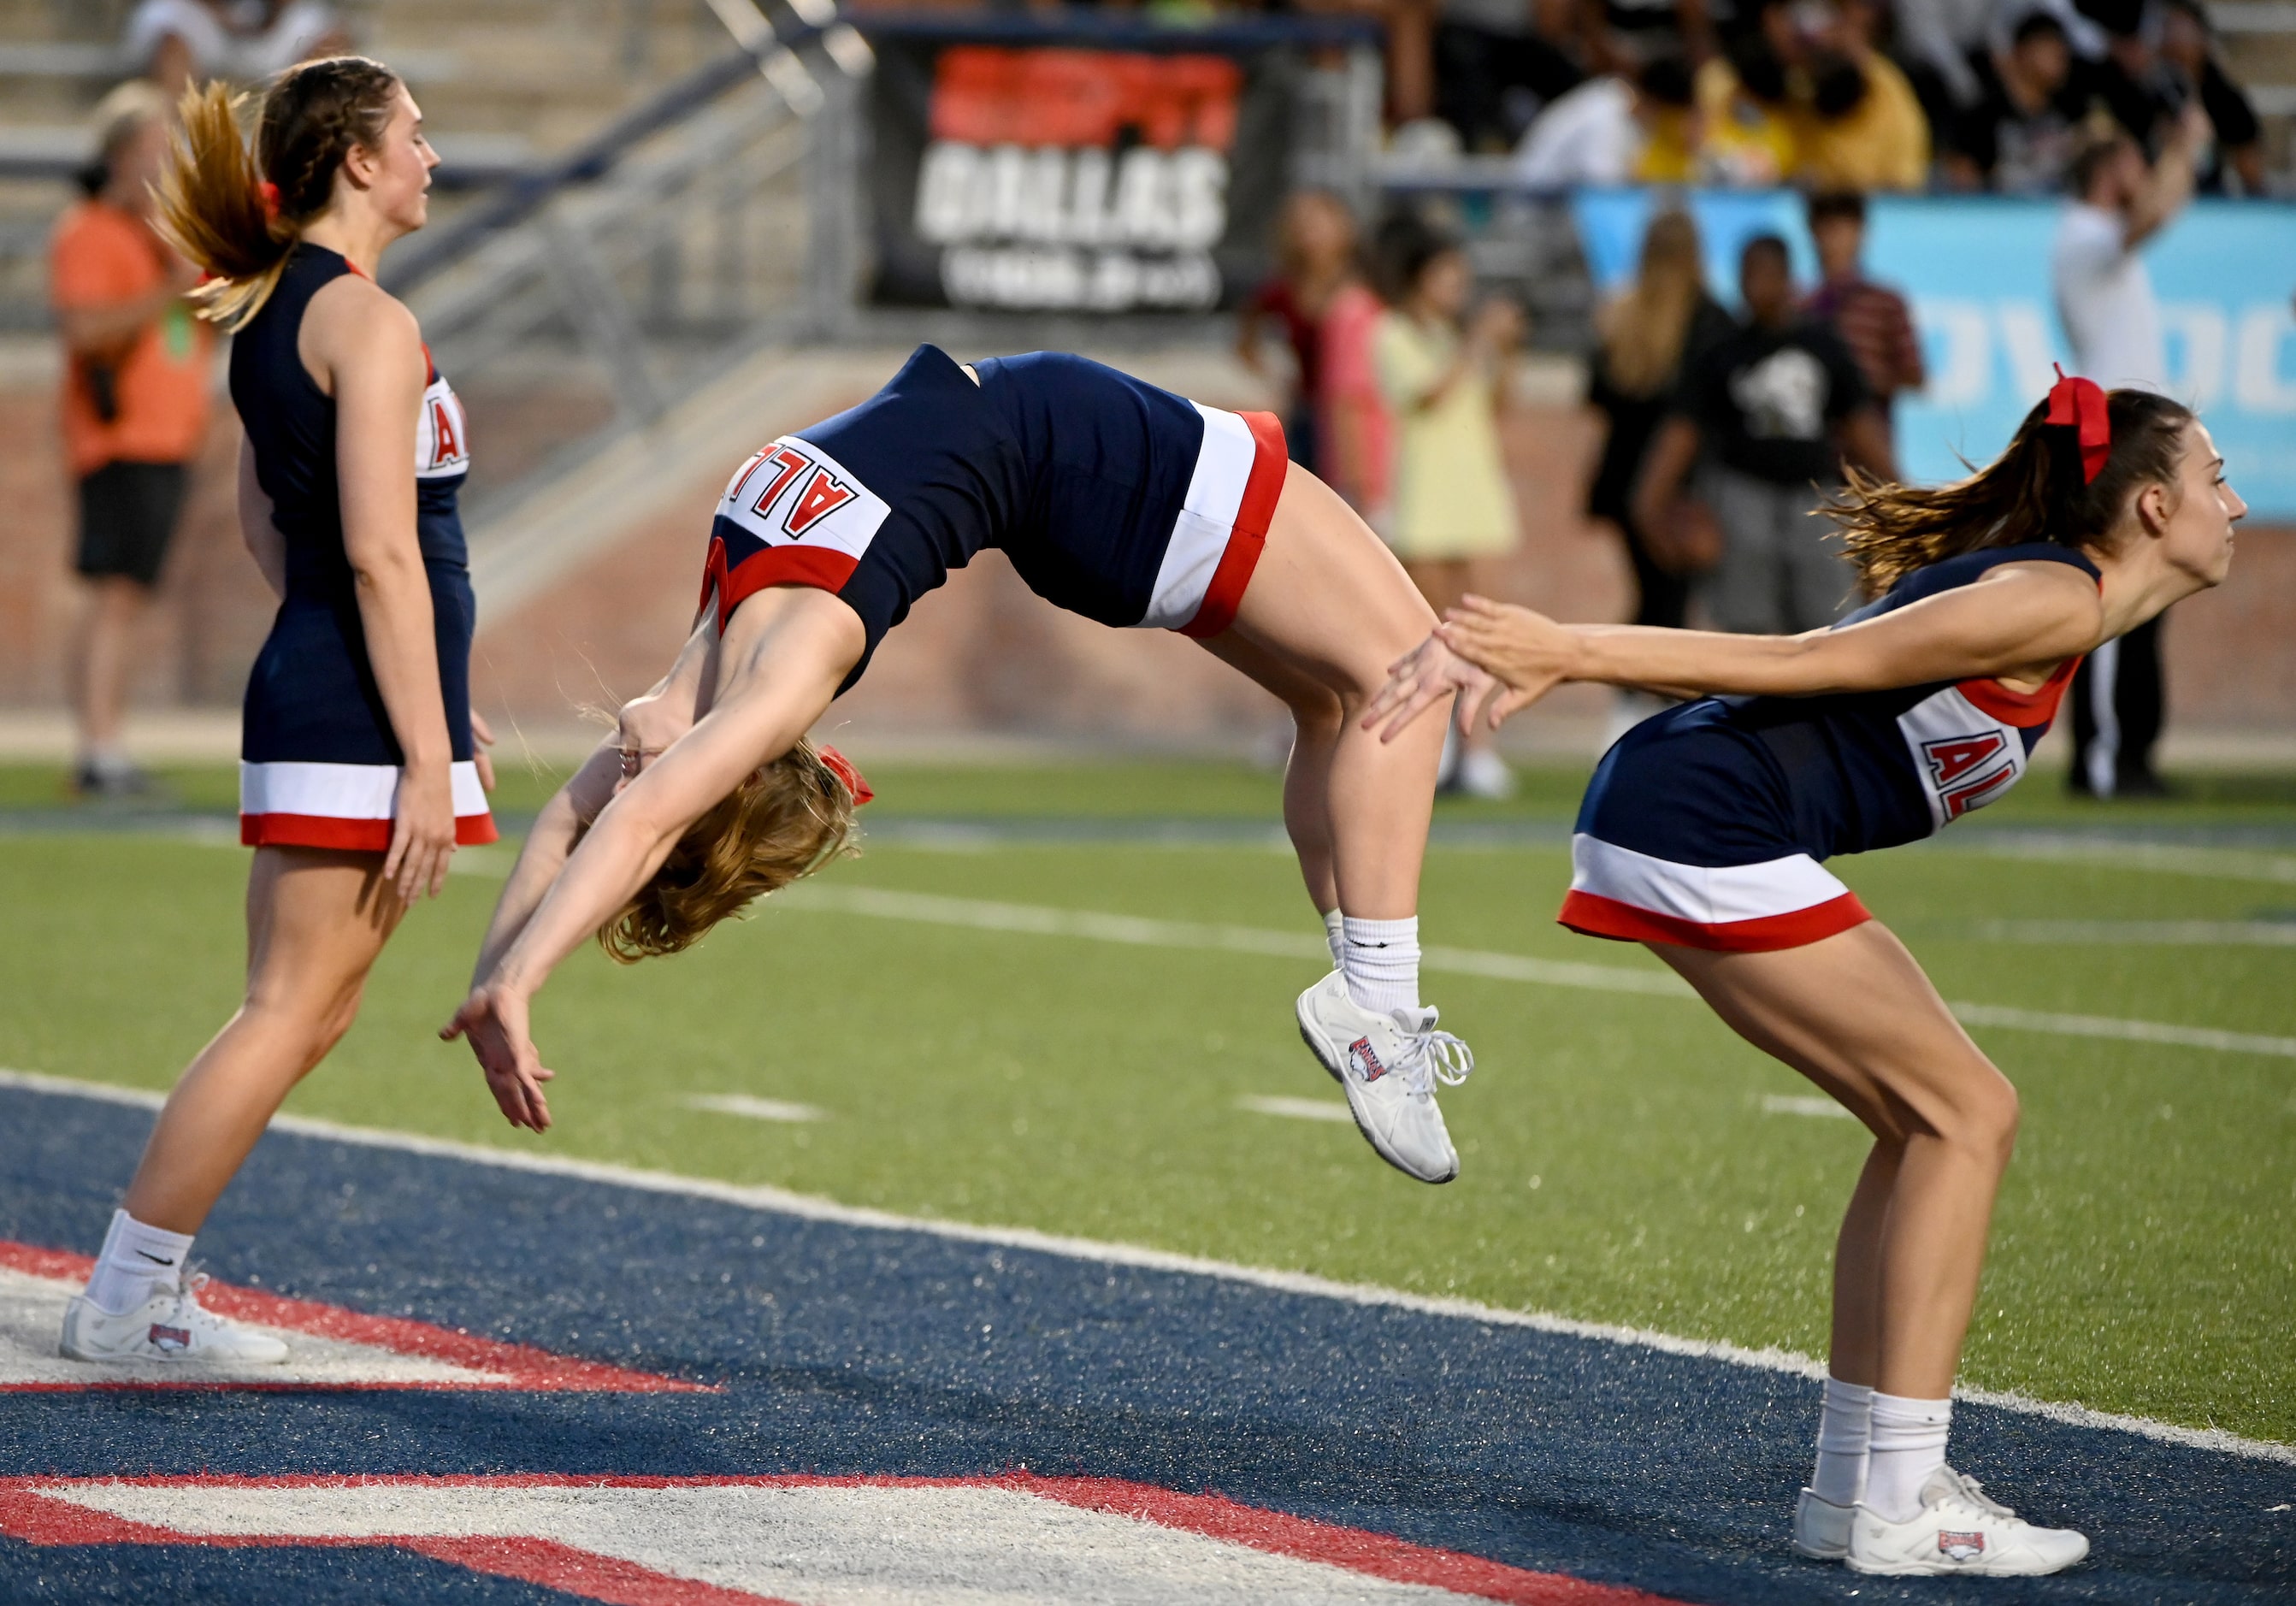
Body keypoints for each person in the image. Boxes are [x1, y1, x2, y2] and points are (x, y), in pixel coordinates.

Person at [1372, 372, 2245, 1575]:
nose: (2234, 501)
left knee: (1919, 1120)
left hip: (1694, 813)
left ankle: (1853, 1490)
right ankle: (1900, 1498)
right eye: (2213, 476)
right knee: (1969, 1110)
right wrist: (1569, 648)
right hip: (1700, 813)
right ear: (2151, 506)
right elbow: (1799, 660)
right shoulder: (2049, 598)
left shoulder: (2066, 602)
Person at [444, 345, 1484, 1187]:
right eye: (655, 785)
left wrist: (497, 980)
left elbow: (573, 826)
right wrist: (533, 977)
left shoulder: (706, 647)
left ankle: (1363, 979)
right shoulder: (785, 665)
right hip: (1092, 470)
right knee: (1416, 671)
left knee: (1335, 700)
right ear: (725, 782)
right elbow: (639, 826)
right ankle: (1377, 1004)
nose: (619, 772)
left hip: (1070, 471)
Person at [59, 57, 497, 1367]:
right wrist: (421, 736)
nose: (430, 152)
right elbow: (378, 550)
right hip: (351, 701)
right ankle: (127, 1298)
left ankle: (142, 1289)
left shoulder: (271, 308)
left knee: (303, 1005)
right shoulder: (363, 320)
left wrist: (414, 699)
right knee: (289, 1009)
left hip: (332, 677)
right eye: (416, 132)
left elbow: (272, 525)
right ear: (357, 159)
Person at [50, 82, 211, 799]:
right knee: (112, 594)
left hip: (169, 439)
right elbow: (86, 331)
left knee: (130, 594)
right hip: (119, 439)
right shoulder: (90, 230)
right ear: (117, 156)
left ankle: (108, 738)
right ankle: (98, 744)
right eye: (148, 150)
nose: (162, 165)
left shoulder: (167, 238)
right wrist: (166, 291)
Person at [1634, 233, 1893, 637]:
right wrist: (1651, 499)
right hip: (1743, 496)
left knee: (1829, 619)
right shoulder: (1723, 350)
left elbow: (1860, 425)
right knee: (1747, 624)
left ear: (1788, 277)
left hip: (1814, 497)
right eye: (1749, 275)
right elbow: (1683, 430)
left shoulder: (1822, 346)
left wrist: (1898, 492)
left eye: (1767, 275)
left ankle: (1820, 699)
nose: (1757, 287)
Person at [2052, 117, 2201, 797]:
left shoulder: (2104, 244)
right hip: (2116, 439)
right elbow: (2153, 214)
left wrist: (2179, 150)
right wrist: (2185, 143)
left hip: (2143, 437)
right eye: (2131, 162)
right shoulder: (2082, 236)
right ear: (2107, 172)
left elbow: (2156, 211)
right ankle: (2102, 758)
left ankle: (2132, 753)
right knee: (2114, 597)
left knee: (2147, 598)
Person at [1371, 213, 1524, 799]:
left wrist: (1504, 353)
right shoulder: (1393, 334)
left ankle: (1480, 750)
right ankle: (1429, 747)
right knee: (1429, 632)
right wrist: (1478, 341)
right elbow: (1429, 395)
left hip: (1475, 492)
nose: (1457, 286)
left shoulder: (1452, 338)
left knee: (1485, 630)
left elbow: (1496, 403)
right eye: (1446, 274)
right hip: (1426, 496)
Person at [1584, 207, 1732, 741]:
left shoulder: (1624, 315)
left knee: (1653, 593)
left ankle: (1632, 703)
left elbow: (1597, 397)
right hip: (1683, 483)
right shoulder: (1711, 318)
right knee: (1668, 597)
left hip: (1625, 478)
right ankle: (1655, 709)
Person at [1236, 191, 1359, 478]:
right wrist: (1275, 376)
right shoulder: (1285, 288)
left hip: (1352, 407)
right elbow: (1247, 331)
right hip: (1309, 409)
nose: (1309, 235)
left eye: (1317, 225)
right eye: (1302, 226)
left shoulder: (1359, 283)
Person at [1803, 192, 1926, 440]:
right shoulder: (1800, 305)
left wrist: (1856, 384)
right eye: (1826, 228)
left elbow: (1915, 376)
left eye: (1844, 229)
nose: (1834, 239)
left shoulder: (1886, 303)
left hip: (1870, 447)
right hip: (1814, 449)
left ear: (1861, 233)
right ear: (1813, 233)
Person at [1941, 11, 2081, 195]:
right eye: (2049, 44)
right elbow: (1962, 178)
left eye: (2062, 47)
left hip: (2059, 213)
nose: (2061, 54)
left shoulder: (2072, 112)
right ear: (2021, 52)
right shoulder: (1983, 118)